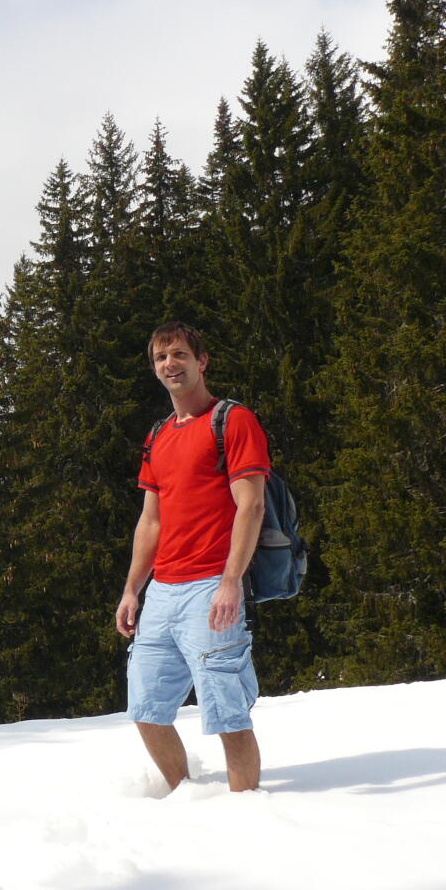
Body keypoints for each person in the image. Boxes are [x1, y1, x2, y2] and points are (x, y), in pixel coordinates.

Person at [115, 322, 268, 792]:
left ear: (201, 362)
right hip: (162, 592)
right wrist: (131, 590)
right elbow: (151, 522)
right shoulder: (158, 435)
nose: (169, 365)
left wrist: (229, 582)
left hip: (210, 587)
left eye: (179, 355)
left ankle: (245, 811)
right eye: (161, 358)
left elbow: (252, 505)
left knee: (226, 713)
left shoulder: (232, 420)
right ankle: (187, 801)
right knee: (145, 709)